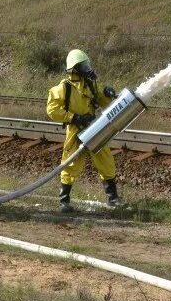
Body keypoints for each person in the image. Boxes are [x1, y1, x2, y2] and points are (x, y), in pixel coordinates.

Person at [46, 49, 123, 213]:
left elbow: (100, 101)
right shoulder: (63, 88)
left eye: (88, 65)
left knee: (106, 160)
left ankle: (113, 198)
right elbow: (52, 110)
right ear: (74, 68)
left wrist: (106, 93)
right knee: (70, 163)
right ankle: (64, 201)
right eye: (84, 66)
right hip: (75, 130)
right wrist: (74, 118)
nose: (88, 69)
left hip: (93, 127)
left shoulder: (90, 84)